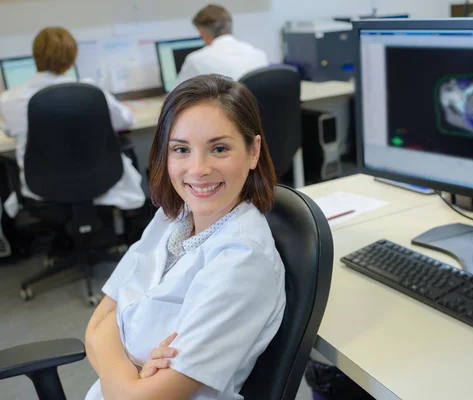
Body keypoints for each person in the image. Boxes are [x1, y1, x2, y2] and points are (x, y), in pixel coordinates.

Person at [84, 74, 286, 400]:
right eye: (181, 149)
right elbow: (95, 326)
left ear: (253, 151)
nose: (198, 169)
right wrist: (130, 376)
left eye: (218, 148)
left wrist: (116, 354)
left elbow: (139, 393)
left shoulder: (242, 260)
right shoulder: (172, 218)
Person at [0, 27, 145, 210]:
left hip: (42, 186)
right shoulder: (91, 92)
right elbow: (126, 121)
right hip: (100, 180)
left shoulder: (8, 99)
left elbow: (8, 130)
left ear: (35, 56)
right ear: (72, 57)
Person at [176, 4, 269, 84]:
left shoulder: (196, 60)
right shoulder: (259, 54)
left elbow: (174, 98)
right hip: (256, 105)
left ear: (203, 32)